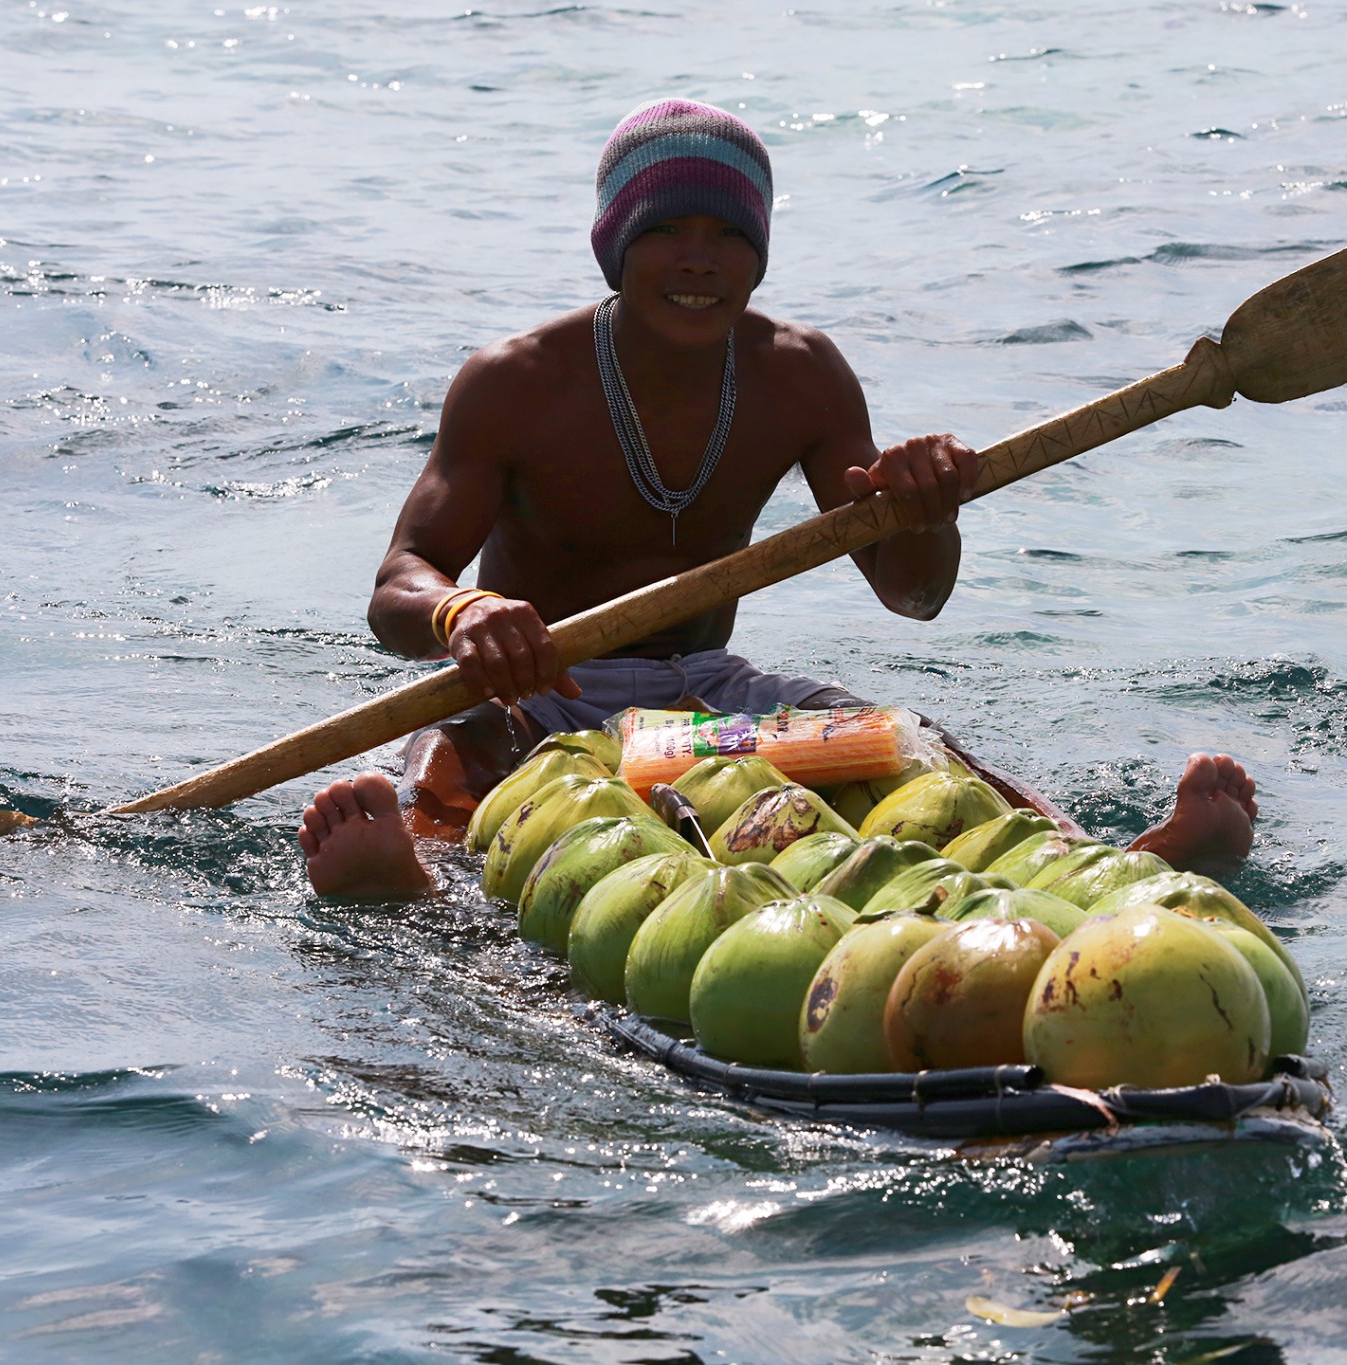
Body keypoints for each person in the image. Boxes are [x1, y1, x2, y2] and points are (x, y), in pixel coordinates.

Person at [298, 98, 1257, 899]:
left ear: (760, 254)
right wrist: (464, 610)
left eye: (726, 235)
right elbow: (396, 588)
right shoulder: (515, 381)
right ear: (614, 247)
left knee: (919, 753)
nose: (699, 259)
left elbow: (913, 597)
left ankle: (1101, 866)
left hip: (712, 700)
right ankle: (407, 887)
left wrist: (927, 511)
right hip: (537, 703)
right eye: (666, 230)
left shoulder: (803, 376)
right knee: (441, 782)